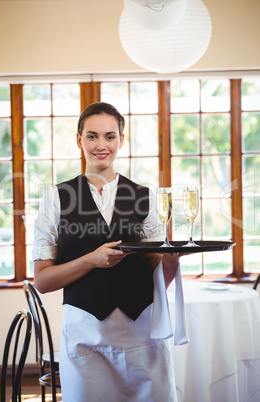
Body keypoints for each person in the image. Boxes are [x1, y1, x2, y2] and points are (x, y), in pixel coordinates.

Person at [33, 102, 184, 401]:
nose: (101, 145)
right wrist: (91, 260)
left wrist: (172, 259)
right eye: (92, 136)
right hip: (85, 338)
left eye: (110, 136)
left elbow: (160, 280)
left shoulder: (144, 196)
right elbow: (43, 281)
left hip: (143, 337)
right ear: (79, 140)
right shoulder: (57, 198)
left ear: (121, 140)